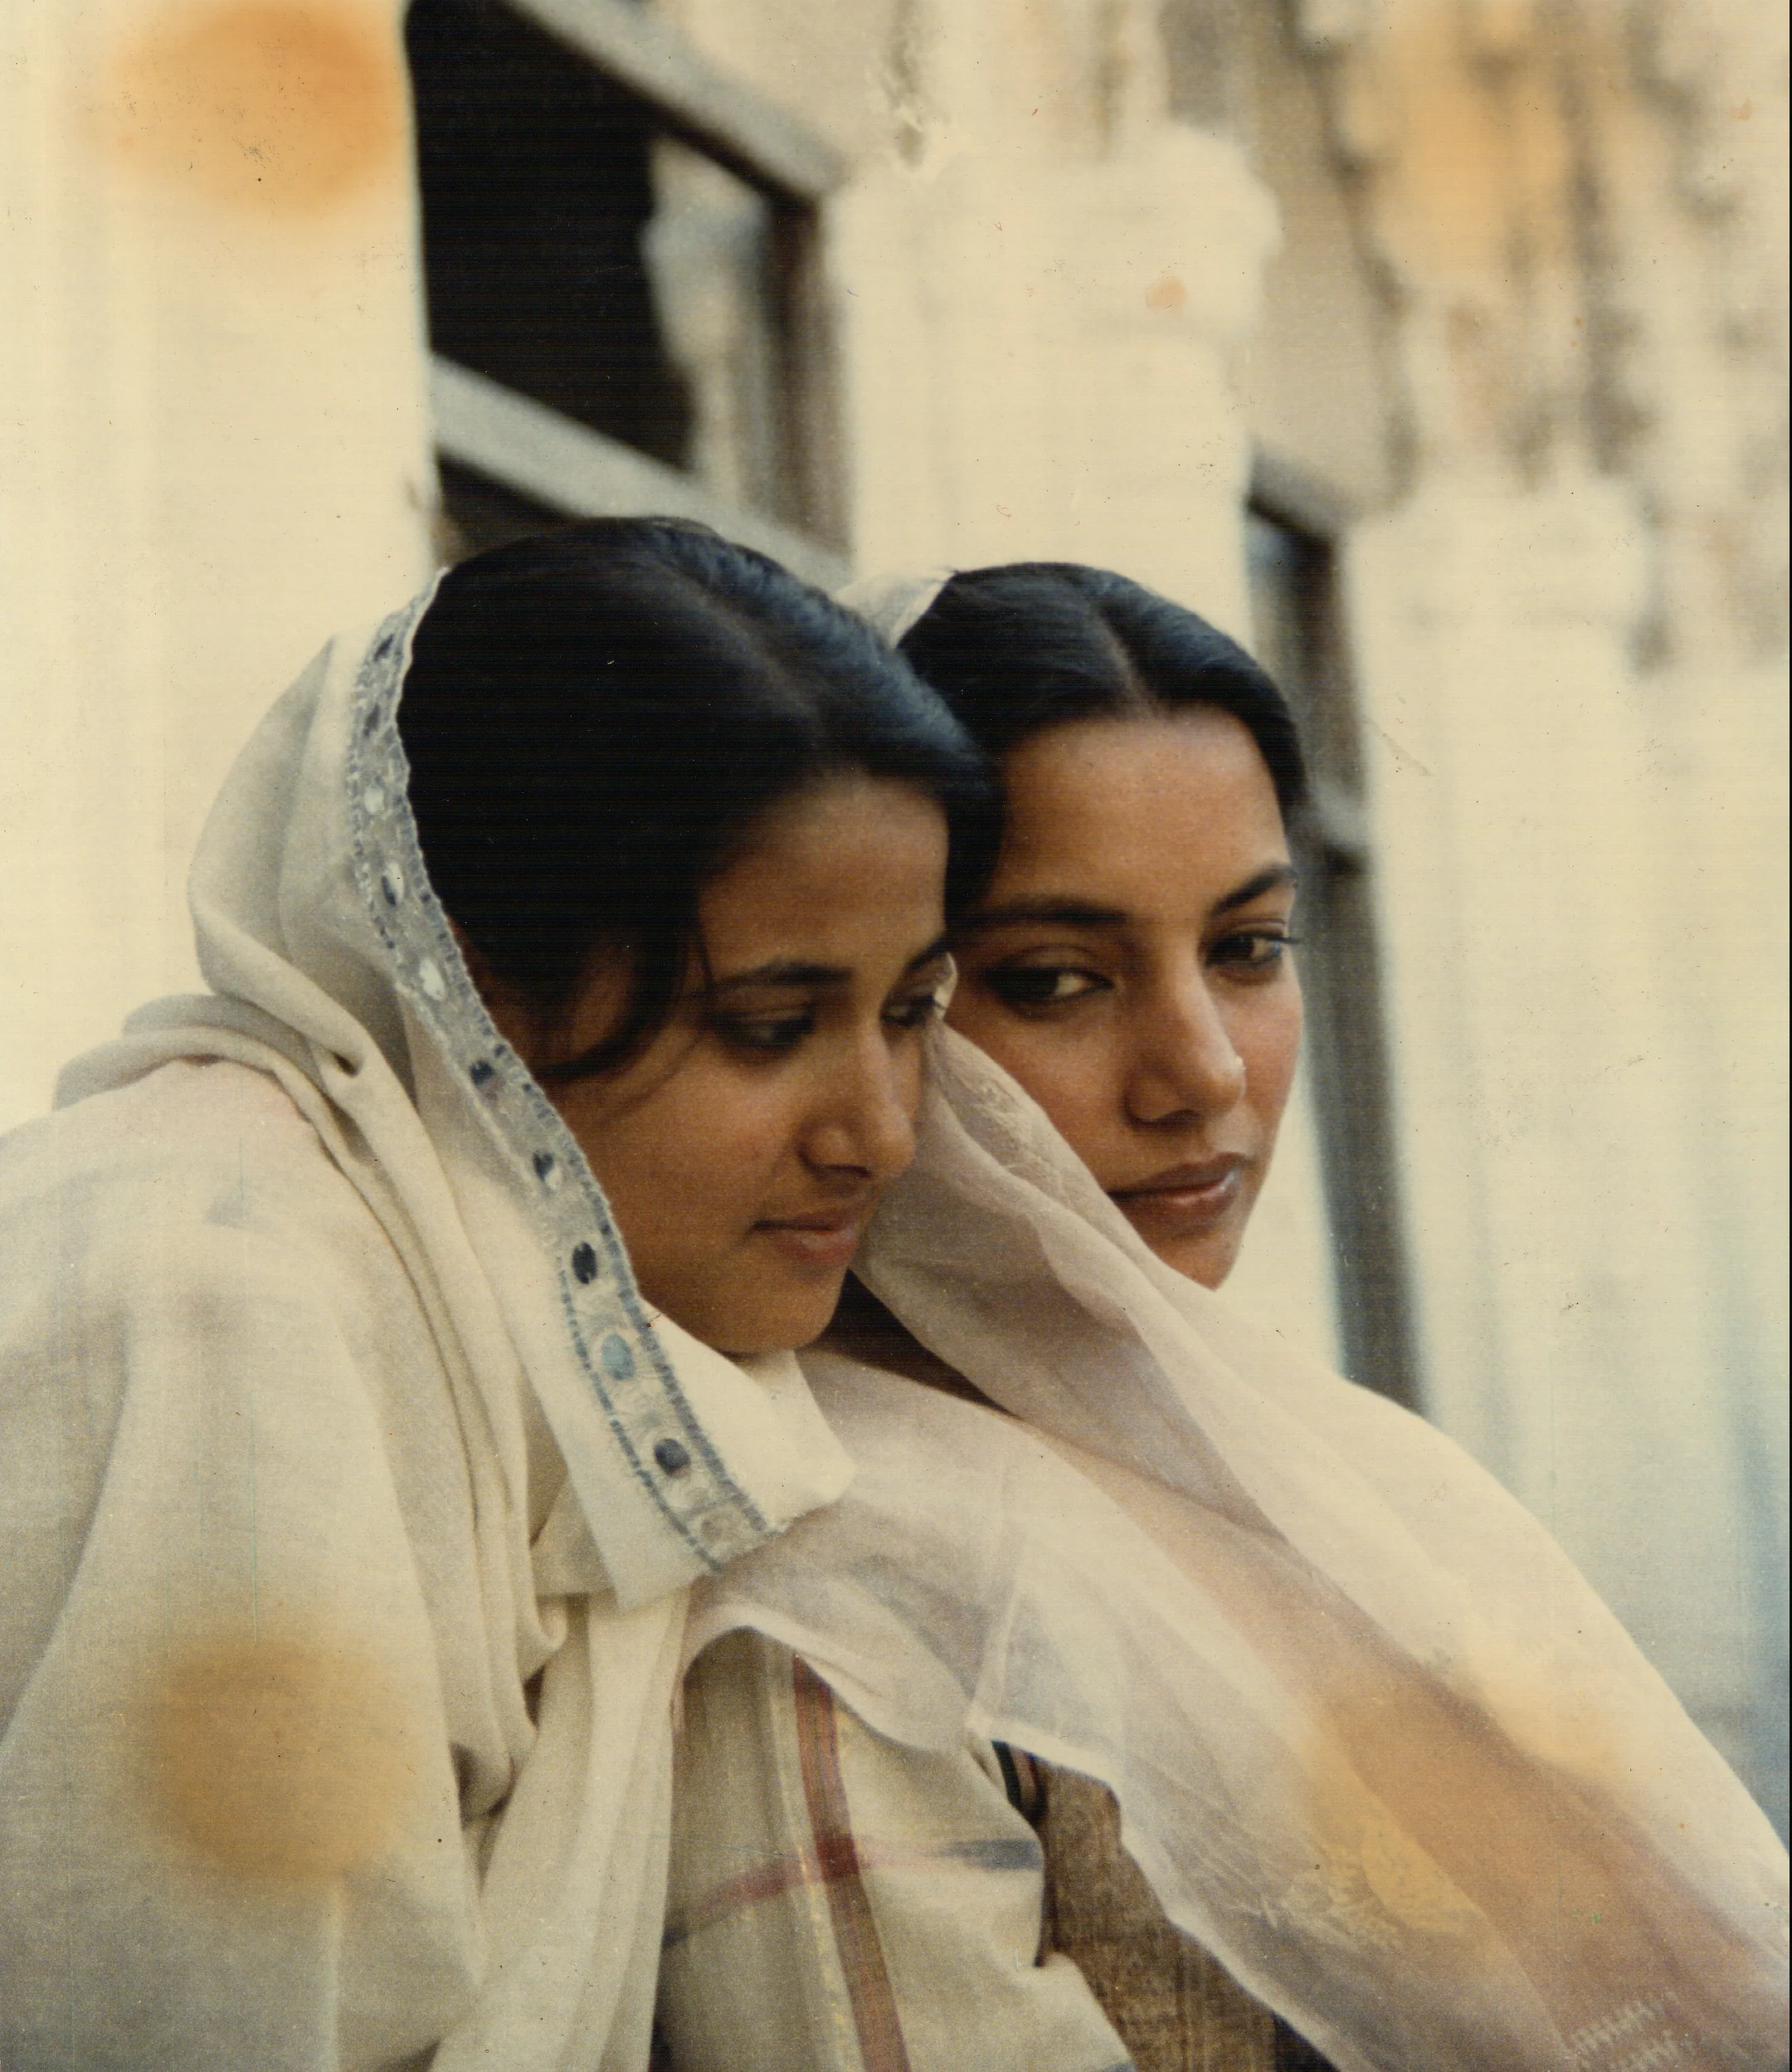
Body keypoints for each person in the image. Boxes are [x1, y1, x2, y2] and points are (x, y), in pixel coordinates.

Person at [655, 563, 1790, 2072]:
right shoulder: (830, 1586)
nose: (1201, 1073)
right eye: (1057, 979)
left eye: (1249, 949)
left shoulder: (1320, 1480)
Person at [0, 518, 999, 2072]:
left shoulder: (604, 1389)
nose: (879, 1129)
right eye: (769, 1023)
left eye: (911, 1009)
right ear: (465, 987)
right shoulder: (214, 1293)